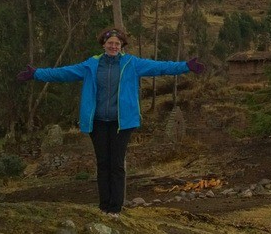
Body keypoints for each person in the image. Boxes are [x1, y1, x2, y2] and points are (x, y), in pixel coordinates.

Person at [16, 27, 204, 218]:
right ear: (104, 45)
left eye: (117, 43)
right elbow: (64, 73)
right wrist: (36, 74)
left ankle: (115, 208)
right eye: (110, 43)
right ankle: (103, 206)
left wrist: (186, 66)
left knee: (117, 163)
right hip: (97, 122)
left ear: (121, 45)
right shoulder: (92, 65)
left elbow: (161, 67)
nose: (113, 46)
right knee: (103, 163)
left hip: (121, 122)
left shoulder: (132, 63)